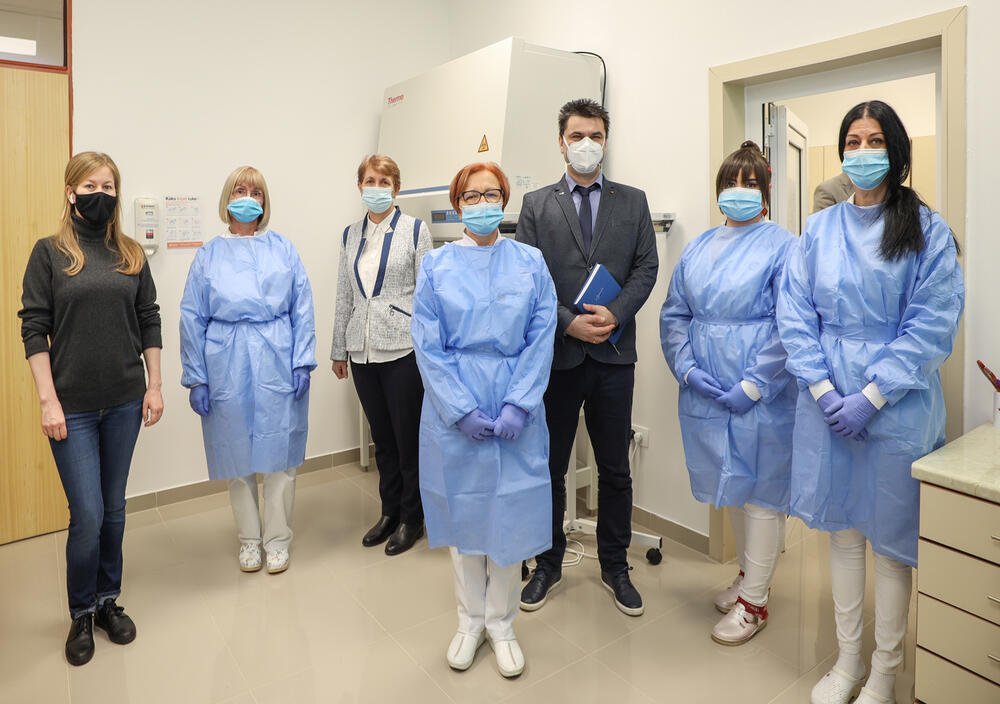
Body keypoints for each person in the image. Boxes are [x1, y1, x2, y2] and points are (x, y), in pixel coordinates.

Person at [777, 101, 964, 704]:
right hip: (827, 403)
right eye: (852, 141)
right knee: (842, 534)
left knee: (890, 544)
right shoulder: (818, 230)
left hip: (897, 406)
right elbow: (795, 315)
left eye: (875, 140)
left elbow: (932, 325)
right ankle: (848, 660)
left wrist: (872, 395)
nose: (862, 152)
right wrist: (825, 390)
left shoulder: (926, 229)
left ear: (896, 149)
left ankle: (884, 670)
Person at [411, 162, 557, 678]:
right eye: (471, 196)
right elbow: (427, 344)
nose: (482, 203)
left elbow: (542, 333)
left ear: (504, 200)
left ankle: (502, 623)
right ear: (458, 205)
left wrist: (520, 401)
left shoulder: (530, 262)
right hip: (456, 401)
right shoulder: (435, 265)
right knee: (465, 515)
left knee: (509, 515)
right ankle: (469, 621)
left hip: (517, 397)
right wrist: (459, 409)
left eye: (491, 194)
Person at [19, 151, 163, 666]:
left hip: (124, 400)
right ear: (71, 192)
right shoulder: (49, 253)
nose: (100, 194)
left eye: (108, 186)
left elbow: (149, 318)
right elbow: (34, 327)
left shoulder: (130, 253)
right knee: (87, 515)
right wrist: (48, 401)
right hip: (72, 409)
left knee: (115, 508)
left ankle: (107, 602)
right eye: (90, 186)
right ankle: (80, 611)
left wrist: (154, 385)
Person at [516, 98, 658, 616]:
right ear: (561, 143)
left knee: (615, 468)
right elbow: (527, 277)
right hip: (557, 357)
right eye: (577, 135)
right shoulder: (536, 205)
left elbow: (646, 267)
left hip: (614, 356)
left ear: (606, 141)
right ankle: (548, 562)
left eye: (595, 135)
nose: (586, 144)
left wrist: (615, 314)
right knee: (550, 467)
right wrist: (567, 321)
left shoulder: (633, 201)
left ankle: (615, 566)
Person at [660, 141, 795, 645]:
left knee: (761, 494)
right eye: (731, 183)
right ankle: (748, 577)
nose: (739, 191)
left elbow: (791, 323)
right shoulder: (698, 247)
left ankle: (755, 603)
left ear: (766, 190)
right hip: (707, 391)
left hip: (760, 393)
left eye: (750, 183)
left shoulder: (784, 247)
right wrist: (687, 369)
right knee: (733, 489)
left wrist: (756, 383)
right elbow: (675, 313)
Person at [180, 166, 316, 576]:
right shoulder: (209, 254)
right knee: (236, 453)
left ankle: (277, 540)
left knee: (279, 454)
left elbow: (302, 306)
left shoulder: (283, 249)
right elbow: (191, 316)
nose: (248, 197)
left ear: (264, 201)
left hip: (277, 352)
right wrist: (197, 376)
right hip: (226, 357)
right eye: (240, 190)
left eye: (256, 191)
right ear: (227, 198)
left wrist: (302, 360)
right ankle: (249, 540)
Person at [331, 155, 432, 555]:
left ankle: (412, 518)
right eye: (370, 181)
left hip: (403, 349)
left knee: (408, 440)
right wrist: (339, 349)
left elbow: (427, 294)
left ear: (396, 188)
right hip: (362, 352)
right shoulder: (350, 234)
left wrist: (427, 347)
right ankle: (390, 511)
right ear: (360, 186)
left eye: (384, 181)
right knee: (383, 440)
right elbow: (344, 294)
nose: (376, 187)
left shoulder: (415, 230)